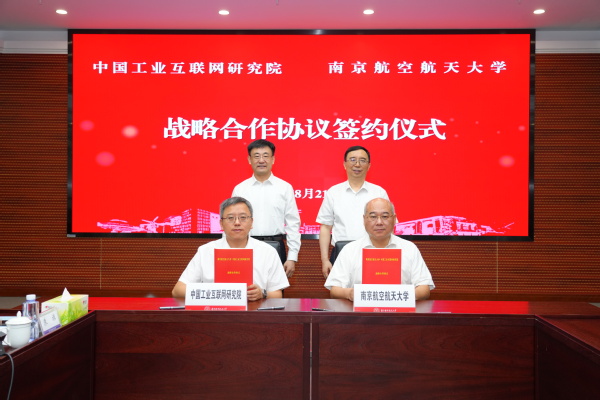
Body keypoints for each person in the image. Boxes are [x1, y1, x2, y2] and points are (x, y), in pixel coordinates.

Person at [171, 197, 289, 301]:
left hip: (254, 313)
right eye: (230, 218)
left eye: (243, 217)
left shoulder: (268, 252)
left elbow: (277, 294)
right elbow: (178, 291)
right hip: (215, 312)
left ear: (251, 222)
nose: (237, 222)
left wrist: (262, 294)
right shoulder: (206, 251)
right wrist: (214, 292)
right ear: (221, 223)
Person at [324, 198, 434, 301]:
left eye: (385, 216)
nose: (379, 222)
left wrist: (401, 296)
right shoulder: (349, 250)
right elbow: (335, 290)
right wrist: (351, 294)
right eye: (373, 216)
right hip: (359, 313)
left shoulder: (409, 248)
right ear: (364, 219)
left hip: (400, 312)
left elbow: (424, 288)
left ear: (394, 219)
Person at [317, 145, 390, 278]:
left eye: (362, 160)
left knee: (372, 289)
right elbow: (325, 227)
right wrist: (325, 260)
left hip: (372, 252)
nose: (357, 164)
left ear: (369, 166)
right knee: (340, 290)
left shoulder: (379, 192)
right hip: (341, 252)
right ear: (344, 164)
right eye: (352, 160)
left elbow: (388, 226)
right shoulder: (334, 192)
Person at [232, 139, 301, 278]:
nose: (261, 160)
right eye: (256, 156)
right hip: (246, 247)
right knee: (246, 288)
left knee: (275, 290)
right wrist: (230, 252)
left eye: (265, 156)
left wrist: (292, 257)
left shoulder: (284, 188)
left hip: (275, 246)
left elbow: (293, 223)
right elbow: (231, 223)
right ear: (249, 160)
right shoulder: (240, 189)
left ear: (273, 159)